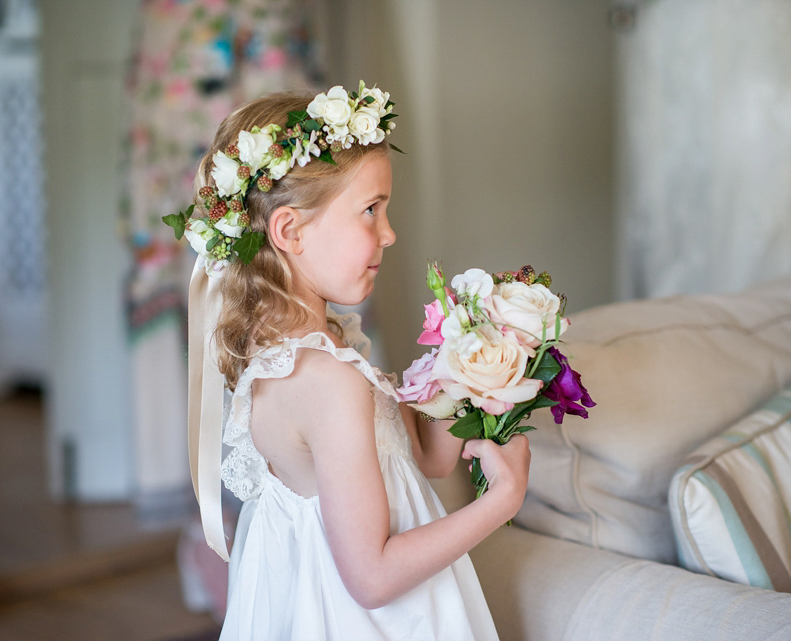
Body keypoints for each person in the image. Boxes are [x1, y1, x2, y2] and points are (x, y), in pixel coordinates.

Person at [174, 84, 532, 640]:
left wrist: (470, 361)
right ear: (289, 230)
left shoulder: (317, 346)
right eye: (370, 210)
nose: (388, 233)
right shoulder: (325, 380)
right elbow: (372, 576)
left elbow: (424, 459)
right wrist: (503, 500)